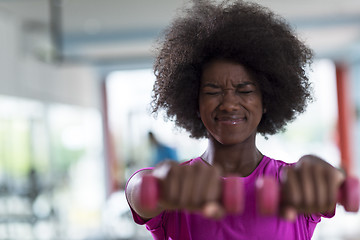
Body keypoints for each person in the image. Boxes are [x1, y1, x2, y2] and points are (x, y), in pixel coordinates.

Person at [125, 1, 347, 239]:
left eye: (245, 90)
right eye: (212, 91)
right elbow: (138, 190)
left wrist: (327, 177)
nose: (229, 104)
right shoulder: (175, 187)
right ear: (195, 103)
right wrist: (161, 186)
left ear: (267, 101)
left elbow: (333, 185)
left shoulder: (293, 184)